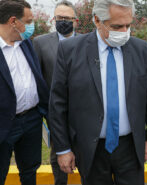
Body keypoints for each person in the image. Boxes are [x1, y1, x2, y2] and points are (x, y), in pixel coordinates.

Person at [49, 0, 147, 184]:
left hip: (131, 147)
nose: (124, 32)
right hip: (90, 148)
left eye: (128, 25)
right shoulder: (70, 50)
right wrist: (63, 149)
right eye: (117, 26)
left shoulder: (142, 50)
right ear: (97, 20)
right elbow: (58, 104)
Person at [0, 0, 49, 184]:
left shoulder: (25, 43)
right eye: (28, 21)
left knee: (30, 171)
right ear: (13, 21)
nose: (31, 25)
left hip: (31, 120)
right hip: (4, 123)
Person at [32, 1, 78, 184]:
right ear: (54, 19)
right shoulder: (40, 43)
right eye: (59, 18)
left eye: (67, 18)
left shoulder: (87, 41)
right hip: (54, 109)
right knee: (59, 150)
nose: (63, 21)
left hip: (84, 108)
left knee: (88, 149)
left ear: (75, 20)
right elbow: (36, 78)